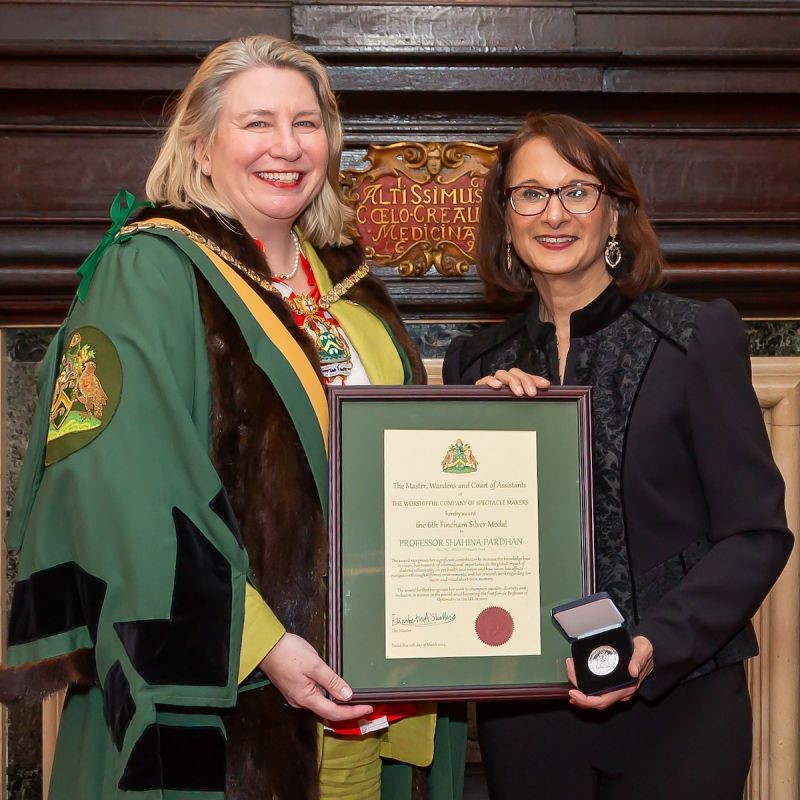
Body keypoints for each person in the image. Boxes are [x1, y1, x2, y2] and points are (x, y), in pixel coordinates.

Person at [3, 35, 465, 800]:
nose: (286, 146)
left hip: (373, 700)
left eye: (306, 123)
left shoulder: (350, 290)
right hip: (227, 710)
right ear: (202, 147)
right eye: (256, 123)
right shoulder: (151, 269)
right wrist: (263, 643)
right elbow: (123, 484)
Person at [443, 112, 793, 799]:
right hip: (530, 712)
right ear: (506, 217)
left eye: (578, 191)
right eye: (531, 193)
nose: (554, 212)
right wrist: (471, 426)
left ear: (614, 215)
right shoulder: (472, 364)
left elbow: (757, 534)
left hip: (681, 702)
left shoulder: (696, 337)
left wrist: (655, 643)